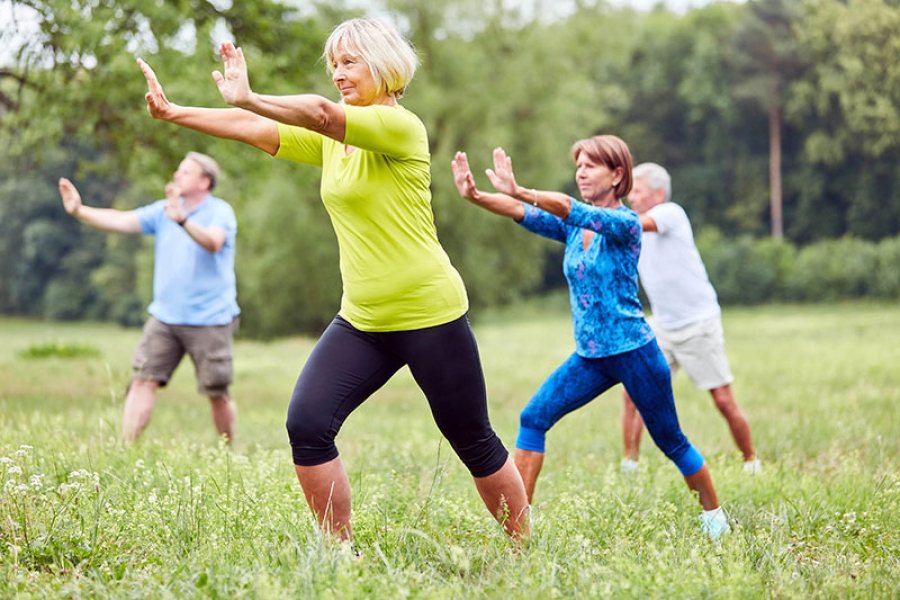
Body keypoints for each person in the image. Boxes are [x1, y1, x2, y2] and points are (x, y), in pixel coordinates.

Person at [137, 18, 529, 543]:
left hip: (428, 312)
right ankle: (339, 554)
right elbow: (256, 130)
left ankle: (524, 547)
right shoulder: (331, 143)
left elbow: (321, 113)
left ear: (385, 66)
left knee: (471, 437)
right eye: (334, 65)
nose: (339, 74)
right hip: (363, 318)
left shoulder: (400, 127)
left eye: (350, 62)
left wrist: (250, 95)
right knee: (307, 425)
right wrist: (173, 113)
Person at [452, 138, 730, 539]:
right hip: (591, 357)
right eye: (578, 165)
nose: (581, 171)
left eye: (591, 166)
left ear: (617, 175)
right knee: (533, 418)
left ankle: (714, 518)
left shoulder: (626, 224)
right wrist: (477, 196)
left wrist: (522, 189)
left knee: (671, 440)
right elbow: (523, 212)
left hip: (634, 352)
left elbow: (566, 207)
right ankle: (519, 531)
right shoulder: (573, 228)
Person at [58, 152, 240, 444]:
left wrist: (183, 220)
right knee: (142, 379)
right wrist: (80, 211)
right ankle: (126, 448)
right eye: (178, 171)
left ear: (205, 182)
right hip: (165, 318)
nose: (177, 175)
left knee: (217, 393)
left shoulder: (220, 212)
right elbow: (122, 220)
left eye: (185, 172)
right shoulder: (163, 211)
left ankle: (228, 452)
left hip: (210, 319)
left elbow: (213, 242)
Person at [621, 162, 759, 475]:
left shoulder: (670, 213)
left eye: (637, 191)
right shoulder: (632, 225)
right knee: (632, 393)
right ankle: (629, 466)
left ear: (657, 192)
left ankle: (751, 461)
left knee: (723, 400)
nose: (631, 197)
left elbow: (632, 224)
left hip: (698, 323)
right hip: (662, 325)